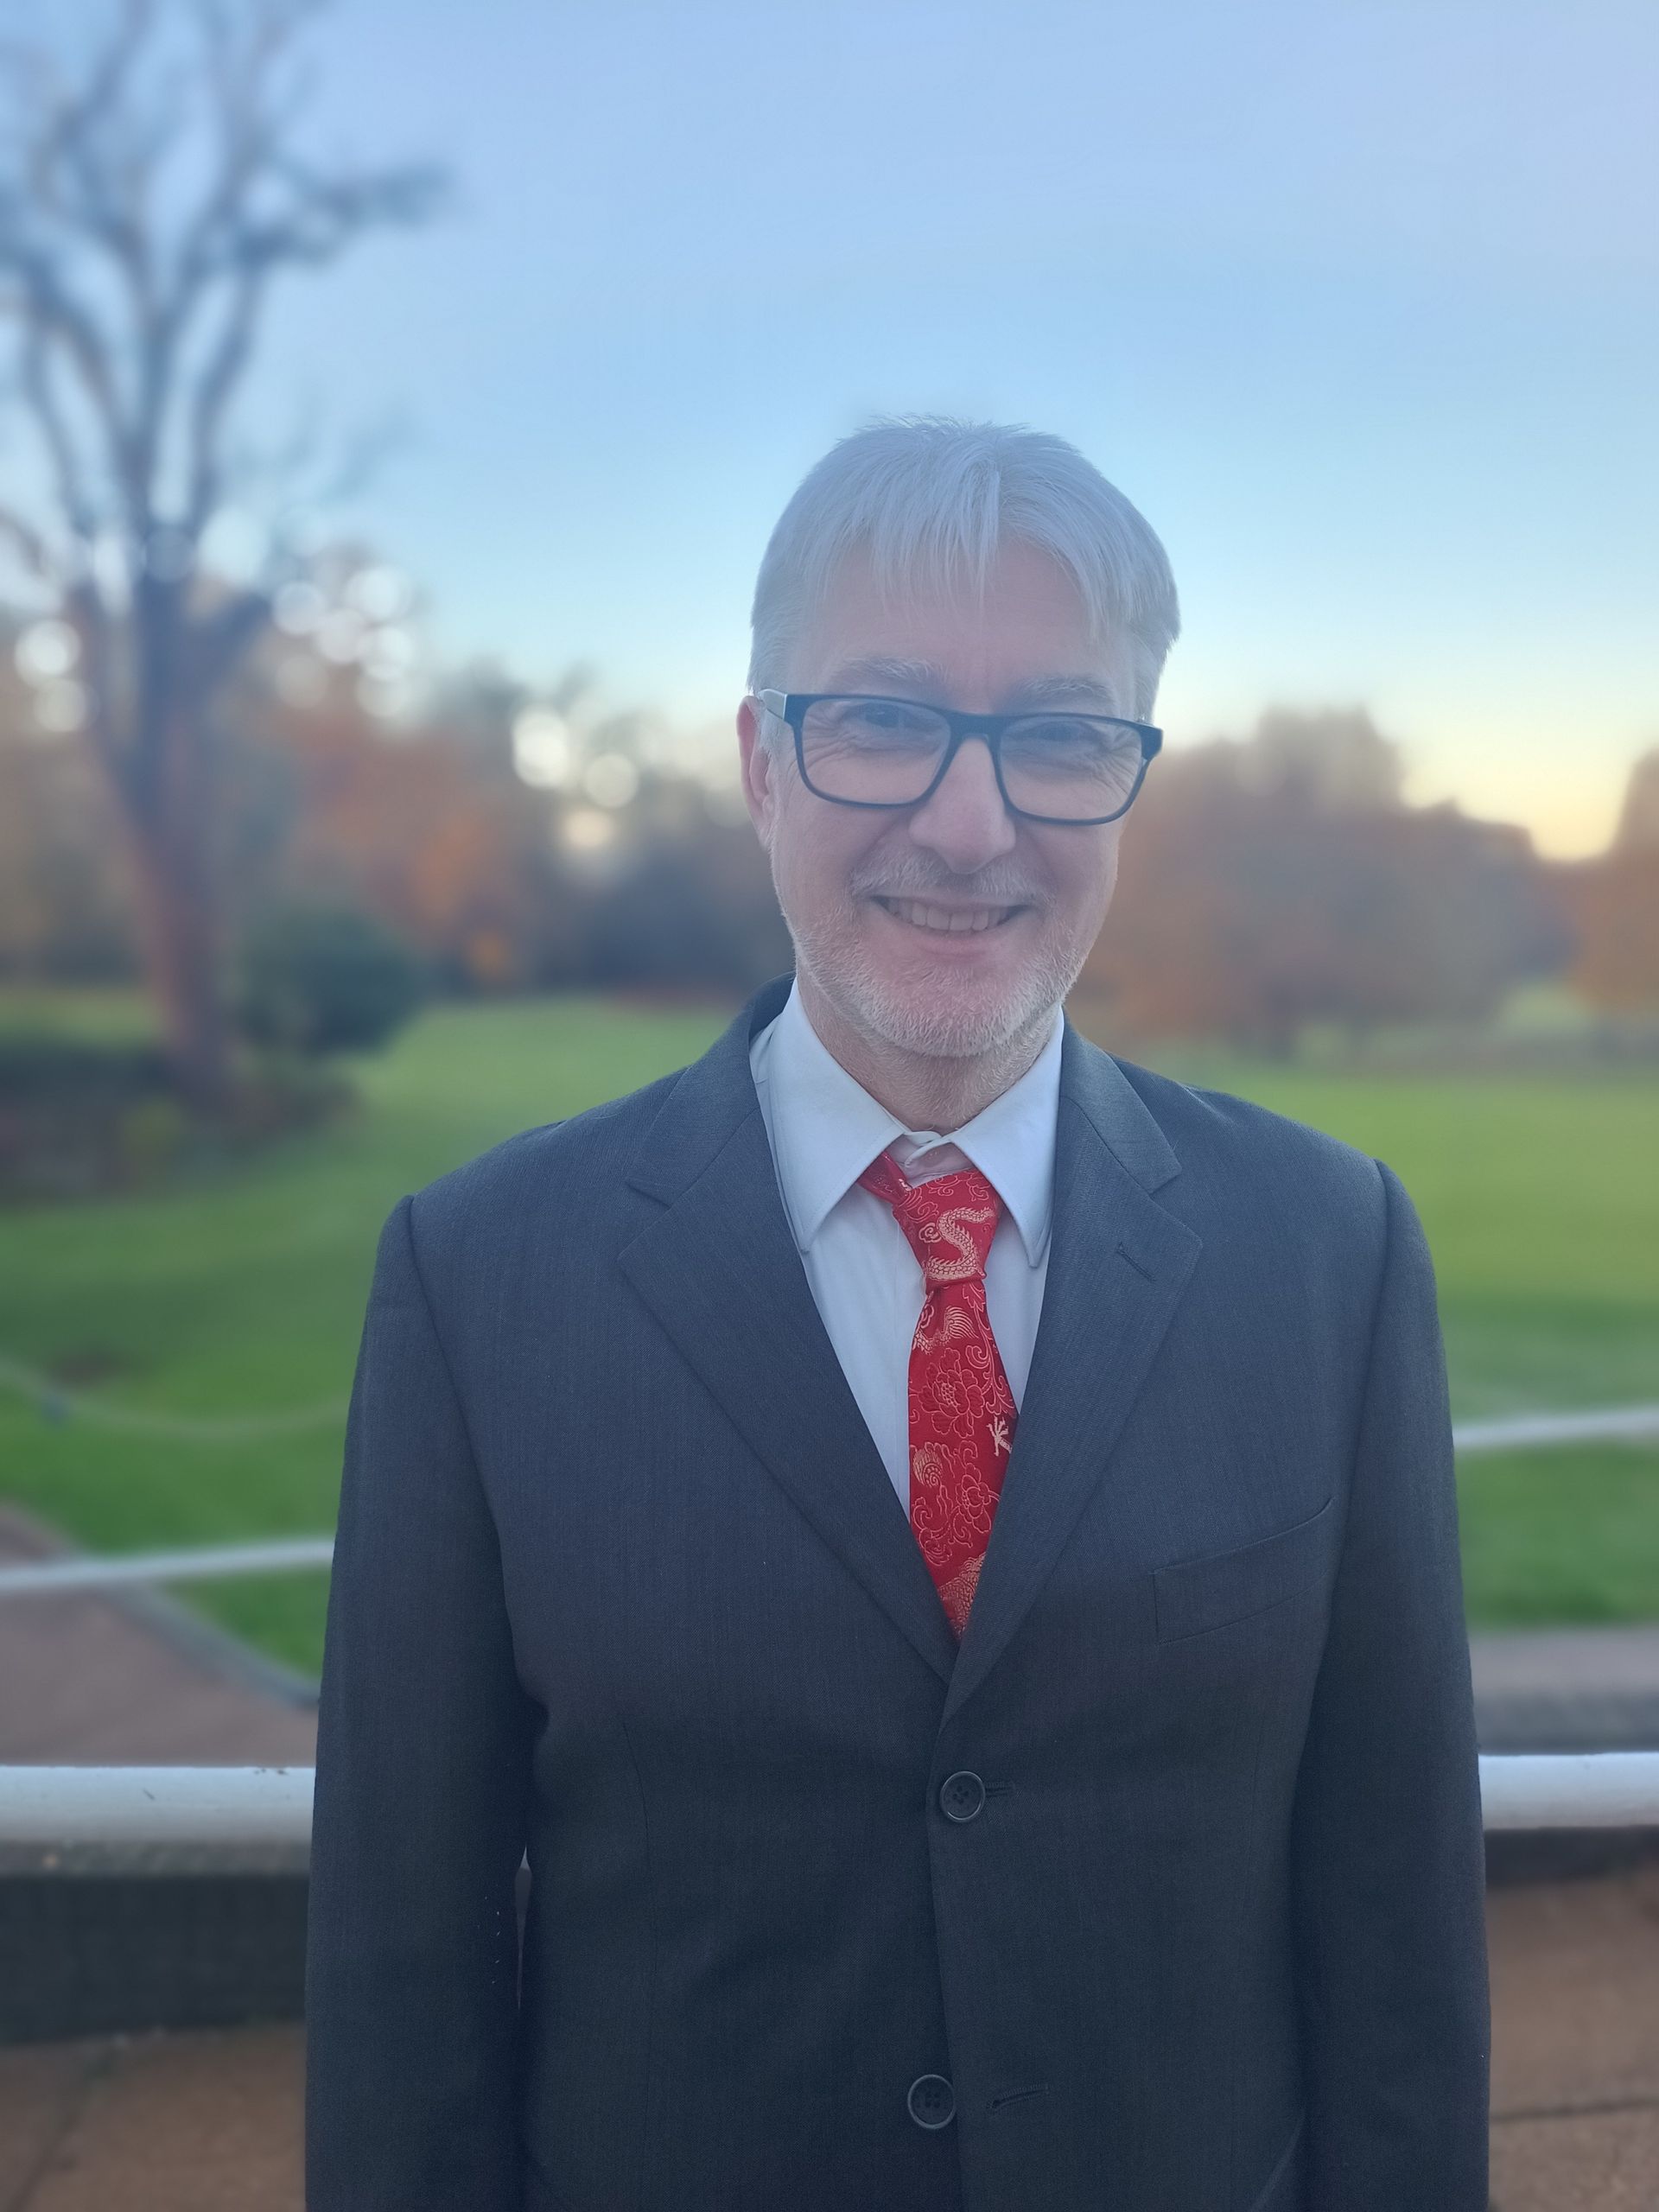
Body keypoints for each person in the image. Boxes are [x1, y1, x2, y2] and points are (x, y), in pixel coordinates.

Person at [304, 416, 1491, 2212]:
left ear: (1131, 775)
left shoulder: (1328, 1251)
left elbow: (1397, 1916)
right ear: (762, 759)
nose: (969, 817)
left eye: (1061, 731)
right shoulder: (482, 1277)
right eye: (882, 716)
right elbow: (407, 1969)